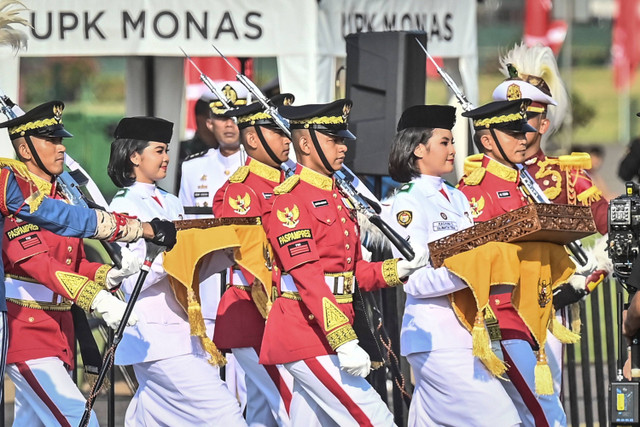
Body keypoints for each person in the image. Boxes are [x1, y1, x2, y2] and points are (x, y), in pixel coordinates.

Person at [259, 99, 428, 426]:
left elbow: (352, 275)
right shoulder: (290, 199)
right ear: (305, 144)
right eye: (333, 140)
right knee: (375, 419)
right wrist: (346, 341)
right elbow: (309, 279)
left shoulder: (337, 196)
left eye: (343, 140)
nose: (343, 147)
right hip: (305, 331)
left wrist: (397, 270)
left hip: (329, 328)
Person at [0, 101, 176, 403]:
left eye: (61, 140)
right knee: (76, 418)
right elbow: (40, 265)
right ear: (26, 150)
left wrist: (109, 275)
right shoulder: (16, 196)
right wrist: (97, 299)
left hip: (59, 327)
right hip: (27, 327)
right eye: (51, 141)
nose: (61, 149)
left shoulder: (62, 198)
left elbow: (75, 263)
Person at [107, 116, 247, 426]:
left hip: (184, 332)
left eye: (167, 149)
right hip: (156, 335)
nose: (167, 157)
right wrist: (177, 256)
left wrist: (227, 252)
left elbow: (190, 267)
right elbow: (129, 280)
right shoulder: (122, 208)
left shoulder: (171, 203)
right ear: (134, 156)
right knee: (225, 414)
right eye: (158, 150)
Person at [387, 104, 520, 426]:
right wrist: (476, 270)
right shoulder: (406, 201)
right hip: (437, 337)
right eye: (444, 142)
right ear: (419, 149)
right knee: (501, 419)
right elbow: (415, 281)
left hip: (467, 332)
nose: (453, 150)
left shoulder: (456, 197)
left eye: (452, 142)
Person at [493, 45, 612, 399]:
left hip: (543, 306)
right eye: (507, 115)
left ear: (543, 124)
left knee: (541, 405)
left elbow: (614, 230)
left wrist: (583, 281)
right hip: (489, 310)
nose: (514, 125)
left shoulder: (566, 177)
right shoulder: (478, 177)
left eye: (525, 117)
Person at [457, 98, 568, 427]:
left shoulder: (524, 184)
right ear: (487, 141)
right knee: (547, 414)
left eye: (524, 131)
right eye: (512, 133)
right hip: (502, 315)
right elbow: (475, 257)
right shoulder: (476, 190)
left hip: (532, 311)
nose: (523, 138)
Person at [213, 94, 296, 427]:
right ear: (252, 138)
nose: (287, 139)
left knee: (263, 411)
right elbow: (250, 262)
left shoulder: (289, 183)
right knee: (290, 405)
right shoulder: (241, 190)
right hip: (256, 310)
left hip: (281, 312)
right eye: (277, 131)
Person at [179, 82, 249, 214]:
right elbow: (185, 221)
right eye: (222, 118)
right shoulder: (192, 167)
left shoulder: (260, 166)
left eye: (235, 118)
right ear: (210, 124)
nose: (229, 124)